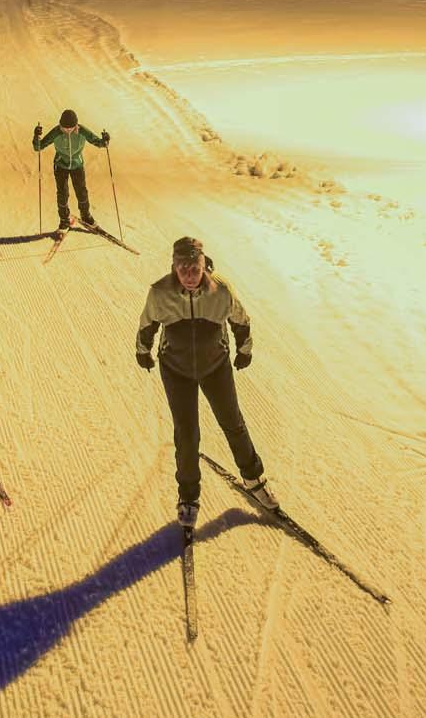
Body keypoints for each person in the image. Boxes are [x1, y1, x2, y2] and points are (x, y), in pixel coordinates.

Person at [136, 236, 277, 528]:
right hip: (176, 369)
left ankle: (254, 478)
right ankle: (188, 496)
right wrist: (143, 351)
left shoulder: (221, 291)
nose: (189, 274)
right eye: (182, 267)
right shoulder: (159, 292)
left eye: (195, 267)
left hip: (215, 366)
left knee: (232, 422)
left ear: (204, 265)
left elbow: (241, 320)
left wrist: (245, 350)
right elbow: (147, 324)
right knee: (187, 434)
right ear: (174, 266)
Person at [32, 108, 108, 232]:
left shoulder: (82, 131)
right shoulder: (56, 132)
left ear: (75, 125)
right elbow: (38, 147)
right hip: (60, 165)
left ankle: (86, 216)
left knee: (81, 192)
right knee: (62, 194)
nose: (67, 130)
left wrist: (104, 140)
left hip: (77, 165)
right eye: (64, 128)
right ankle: (64, 220)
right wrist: (36, 136)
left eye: (70, 128)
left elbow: (98, 143)